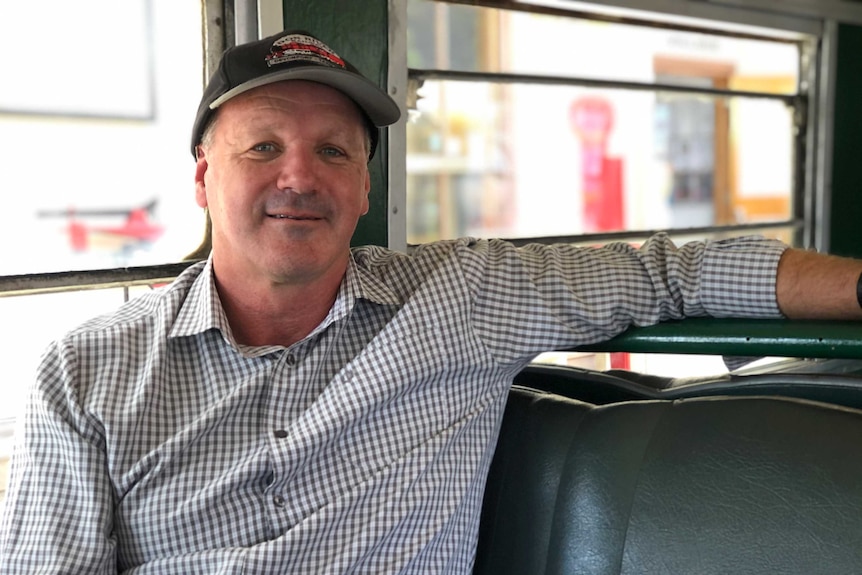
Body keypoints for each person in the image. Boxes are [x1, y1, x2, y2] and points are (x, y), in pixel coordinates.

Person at [2, 29, 861, 574]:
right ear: (201, 177)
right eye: (262, 147)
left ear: (365, 185)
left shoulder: (463, 297)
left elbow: (675, 272)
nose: (299, 176)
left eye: (334, 152)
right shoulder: (88, 370)